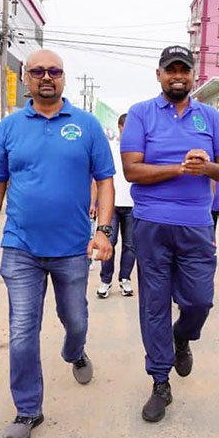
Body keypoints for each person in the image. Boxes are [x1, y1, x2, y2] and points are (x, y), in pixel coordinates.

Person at [0, 49, 115, 438]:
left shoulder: (86, 126)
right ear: (26, 77)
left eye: (54, 71)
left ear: (64, 78)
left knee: (76, 320)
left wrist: (102, 230)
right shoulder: (9, 128)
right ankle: (28, 410)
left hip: (72, 249)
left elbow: (105, 181)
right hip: (21, 247)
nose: (46, 77)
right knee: (21, 331)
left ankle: (75, 352)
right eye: (38, 71)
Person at [121, 45, 219, 423]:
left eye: (184, 70)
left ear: (193, 76)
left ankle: (182, 336)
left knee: (200, 301)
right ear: (159, 75)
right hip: (151, 224)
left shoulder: (211, 117)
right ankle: (159, 382)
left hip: (196, 225)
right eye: (170, 70)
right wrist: (178, 169)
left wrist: (207, 168)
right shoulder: (141, 114)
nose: (177, 76)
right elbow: (132, 171)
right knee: (153, 305)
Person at [97, 113, 136, 299]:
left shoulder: (140, 150)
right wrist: (93, 202)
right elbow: (99, 178)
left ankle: (125, 278)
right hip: (111, 205)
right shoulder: (110, 148)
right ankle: (105, 280)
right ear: (120, 127)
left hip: (134, 206)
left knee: (130, 245)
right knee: (108, 243)